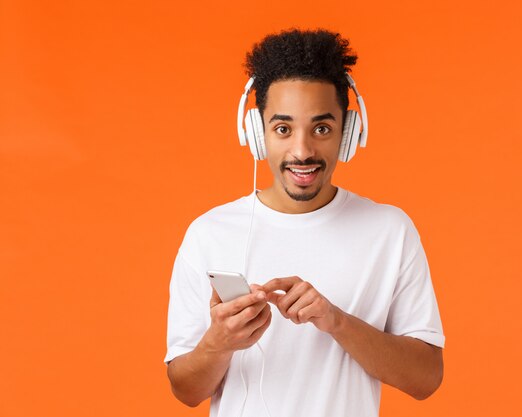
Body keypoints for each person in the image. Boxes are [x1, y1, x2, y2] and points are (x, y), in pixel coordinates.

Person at [165, 28, 445, 417]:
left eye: (322, 128)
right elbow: (185, 390)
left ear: (347, 133)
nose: (302, 150)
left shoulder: (390, 231)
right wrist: (220, 342)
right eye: (283, 129)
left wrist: (336, 322)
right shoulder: (209, 234)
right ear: (256, 133)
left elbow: (426, 378)